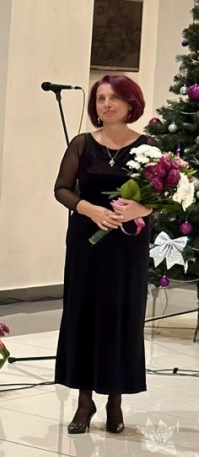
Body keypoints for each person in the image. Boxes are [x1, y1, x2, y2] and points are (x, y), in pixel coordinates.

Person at [53, 74, 152, 435]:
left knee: (121, 315)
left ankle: (114, 400)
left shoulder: (149, 146)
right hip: (87, 242)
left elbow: (162, 194)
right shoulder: (82, 144)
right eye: (100, 99)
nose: (106, 104)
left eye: (113, 98)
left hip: (128, 245)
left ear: (130, 103)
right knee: (85, 314)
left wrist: (141, 209)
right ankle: (84, 401)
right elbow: (61, 189)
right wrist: (88, 209)